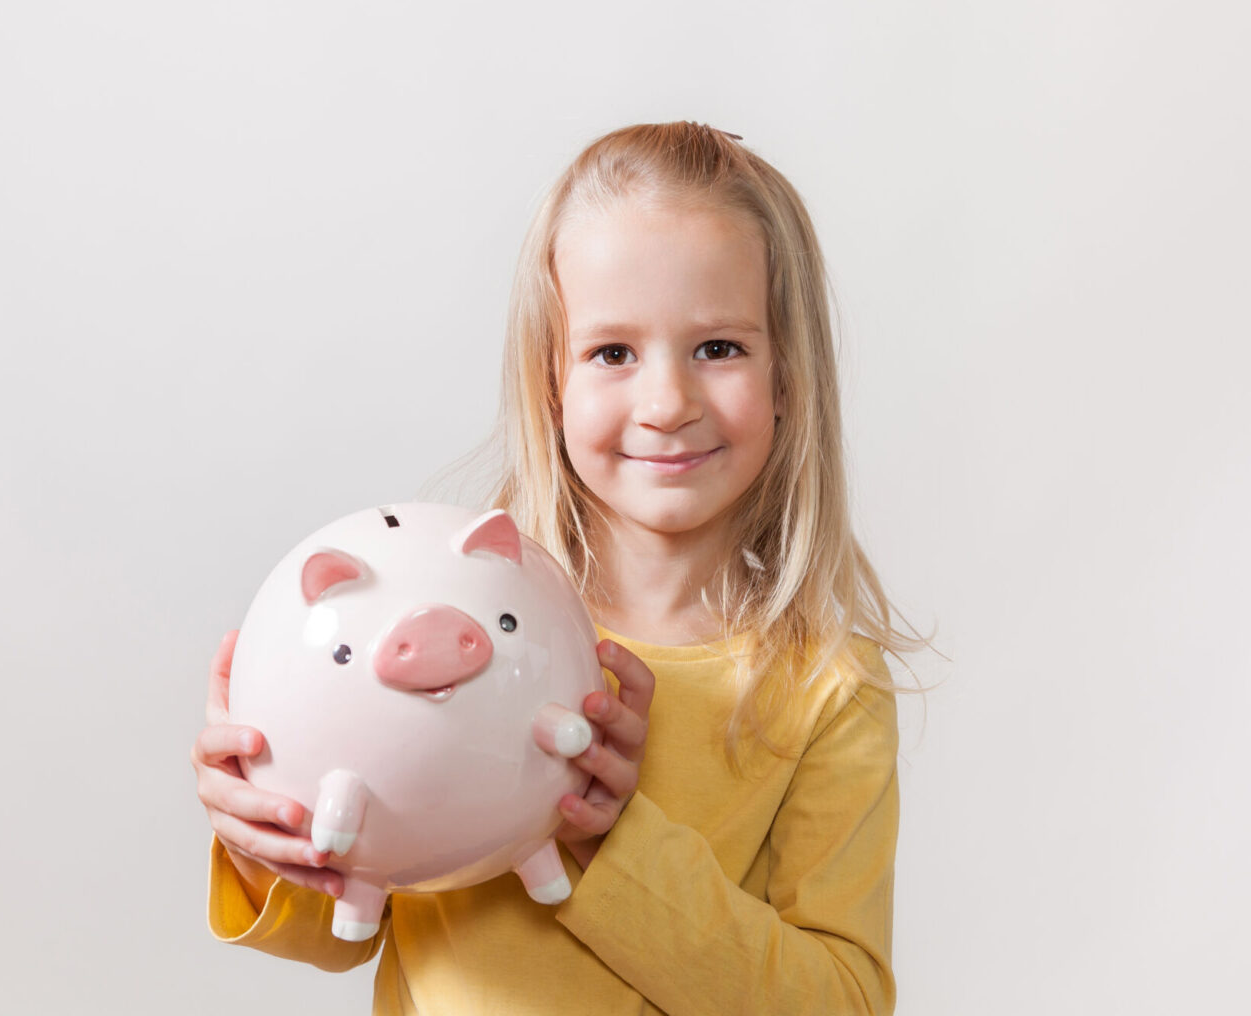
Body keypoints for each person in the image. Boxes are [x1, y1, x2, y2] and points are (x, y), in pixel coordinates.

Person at [191, 121, 921, 1014]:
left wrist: (610, 843)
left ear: (787, 379)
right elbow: (338, 932)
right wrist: (265, 830)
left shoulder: (826, 689)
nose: (666, 403)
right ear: (552, 383)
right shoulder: (448, 609)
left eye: (719, 348)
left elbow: (842, 1002)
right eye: (613, 353)